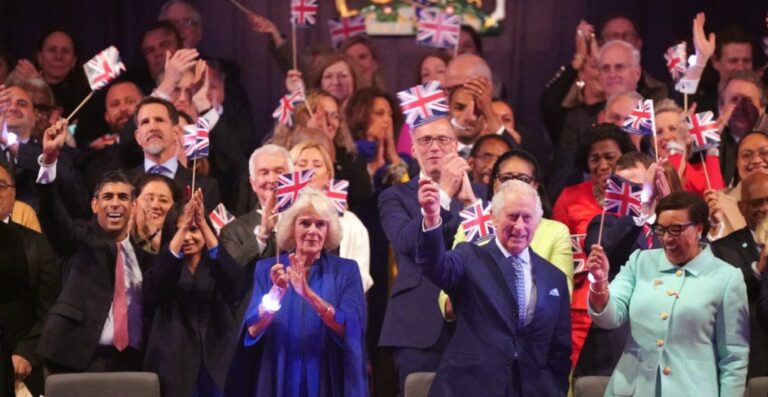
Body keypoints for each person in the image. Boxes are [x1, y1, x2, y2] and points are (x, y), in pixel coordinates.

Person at [415, 178, 571, 396]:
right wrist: (431, 219)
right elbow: (433, 265)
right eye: (512, 216)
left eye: (527, 217)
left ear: (538, 221)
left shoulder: (554, 278)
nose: (519, 226)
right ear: (494, 219)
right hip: (472, 387)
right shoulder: (469, 256)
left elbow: (560, 350)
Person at [587, 191, 749, 396]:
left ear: (699, 228)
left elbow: (734, 358)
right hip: (633, 389)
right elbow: (609, 317)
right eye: (661, 230)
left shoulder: (727, 278)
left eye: (676, 229)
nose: (667, 238)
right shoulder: (640, 262)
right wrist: (600, 282)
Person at [36, 119, 154, 372]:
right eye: (107, 197)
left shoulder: (143, 255)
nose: (115, 203)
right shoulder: (78, 237)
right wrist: (48, 159)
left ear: (133, 206)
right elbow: (50, 212)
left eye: (123, 197)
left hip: (131, 363)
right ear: (94, 205)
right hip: (75, 358)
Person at [378, 116, 483, 392]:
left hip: (476, 322)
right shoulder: (395, 195)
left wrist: (470, 203)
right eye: (425, 140)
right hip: (418, 326)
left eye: (443, 139)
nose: (434, 147)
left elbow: (491, 248)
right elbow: (405, 242)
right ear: (413, 149)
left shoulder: (481, 194)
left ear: (456, 146)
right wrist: (444, 194)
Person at [227, 189, 367, 396]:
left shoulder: (346, 271)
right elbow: (252, 330)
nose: (313, 230)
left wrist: (307, 293)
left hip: (327, 374)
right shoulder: (268, 269)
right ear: (291, 229)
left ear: (329, 231)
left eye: (320, 224)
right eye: (305, 223)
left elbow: (351, 329)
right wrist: (276, 294)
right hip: (278, 371)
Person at [143, 190, 245, 397]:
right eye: (181, 231)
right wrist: (183, 230)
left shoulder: (218, 265)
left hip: (217, 365)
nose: (188, 237)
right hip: (173, 367)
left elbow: (235, 284)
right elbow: (154, 288)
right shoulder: (163, 265)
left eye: (194, 230)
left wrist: (203, 224)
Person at [551, 124, 635, 369]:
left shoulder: (635, 197)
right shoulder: (570, 197)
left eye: (610, 157)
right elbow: (560, 255)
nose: (602, 165)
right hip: (580, 307)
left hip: (626, 303)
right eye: (594, 158)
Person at [0, 162, 59, 396]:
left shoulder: (38, 245)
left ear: (13, 193)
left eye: (1, 185)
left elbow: (49, 309)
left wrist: (26, 352)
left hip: (20, 369)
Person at [289, 140, 373, 292]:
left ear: (328, 175)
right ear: (289, 171)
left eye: (317, 165)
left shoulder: (350, 224)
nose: (309, 170)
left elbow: (361, 278)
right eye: (302, 164)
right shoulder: (277, 219)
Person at [712, 172, 768, 379]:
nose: (765, 208)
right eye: (757, 203)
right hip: (751, 364)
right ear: (741, 208)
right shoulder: (722, 250)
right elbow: (723, 298)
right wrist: (757, 269)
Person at [126, 96, 221, 212]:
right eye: (145, 122)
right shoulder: (123, 183)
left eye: (159, 120)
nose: (152, 127)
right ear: (138, 137)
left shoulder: (204, 187)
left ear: (176, 132)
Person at [654, 98, 724, 196]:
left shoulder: (702, 173)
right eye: (658, 132)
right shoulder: (649, 174)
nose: (665, 136)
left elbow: (718, 202)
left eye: (673, 128)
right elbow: (668, 192)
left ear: (688, 136)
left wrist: (711, 148)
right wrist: (679, 144)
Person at [345, 87, 410, 192]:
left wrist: (393, 156)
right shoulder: (350, 157)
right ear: (361, 115)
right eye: (379, 113)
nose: (387, 120)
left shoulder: (401, 160)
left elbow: (406, 194)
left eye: (390, 115)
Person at [708, 131, 768, 240]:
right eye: (746, 155)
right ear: (736, 163)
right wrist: (714, 227)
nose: (756, 160)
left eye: (764, 153)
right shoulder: (716, 202)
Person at [717, 70, 768, 185]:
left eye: (748, 101)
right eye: (734, 100)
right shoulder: (710, 145)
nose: (741, 107)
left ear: (762, 108)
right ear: (721, 107)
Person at [131, 173, 182, 253]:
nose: (155, 206)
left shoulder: (182, 243)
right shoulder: (119, 238)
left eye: (163, 200)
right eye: (149, 198)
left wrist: (153, 236)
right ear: (134, 203)